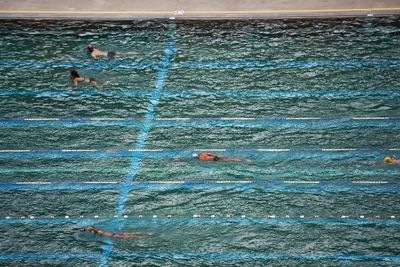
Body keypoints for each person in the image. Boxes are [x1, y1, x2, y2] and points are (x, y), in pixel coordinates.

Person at [80, 226, 144, 239]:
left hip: (113, 235)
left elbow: (91, 228)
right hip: (113, 233)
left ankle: (142, 237)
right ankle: (145, 234)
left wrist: (84, 229)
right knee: (129, 234)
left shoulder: (98, 231)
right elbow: (92, 228)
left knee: (129, 236)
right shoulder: (98, 231)